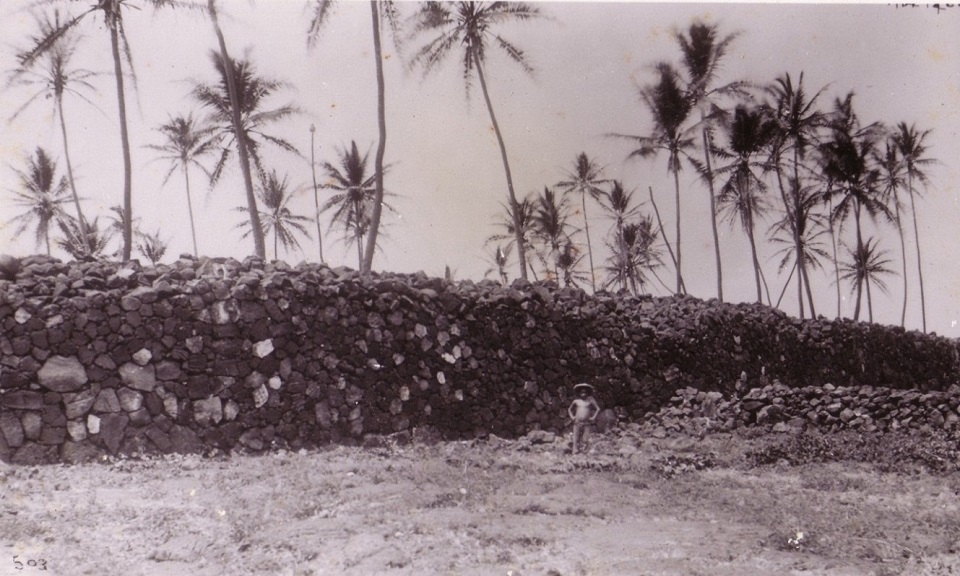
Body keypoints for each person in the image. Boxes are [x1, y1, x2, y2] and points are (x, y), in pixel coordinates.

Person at [567, 382, 600, 454]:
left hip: (587, 423)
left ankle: (584, 452)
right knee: (576, 437)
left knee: (585, 439)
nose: (583, 394)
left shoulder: (590, 401)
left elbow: (598, 409)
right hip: (577, 422)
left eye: (585, 392)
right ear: (579, 393)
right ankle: (575, 451)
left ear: (587, 393)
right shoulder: (576, 401)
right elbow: (569, 409)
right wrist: (572, 417)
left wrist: (593, 417)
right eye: (581, 392)